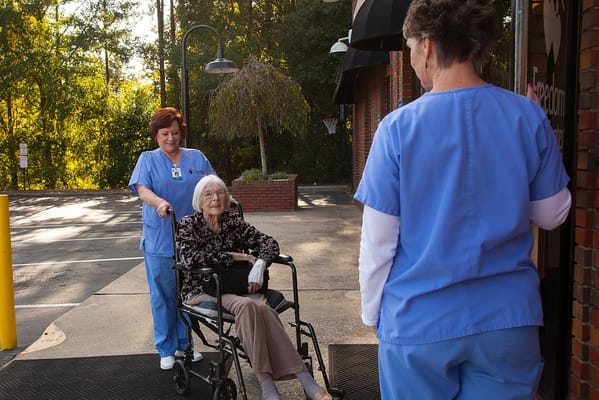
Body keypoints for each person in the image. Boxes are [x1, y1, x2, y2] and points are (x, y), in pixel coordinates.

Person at [354, 1, 572, 399]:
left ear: (428, 47)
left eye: (409, 47)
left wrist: (372, 314)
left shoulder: (397, 129)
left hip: (419, 321)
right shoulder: (527, 116)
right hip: (507, 320)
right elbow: (552, 214)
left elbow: (378, 243)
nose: (412, 58)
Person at [176, 175, 333, 400]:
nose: (215, 198)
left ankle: (286, 383)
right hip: (203, 289)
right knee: (250, 306)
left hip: (238, 287)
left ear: (227, 198)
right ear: (198, 201)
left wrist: (260, 262)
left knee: (259, 308)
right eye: (208, 194)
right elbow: (191, 258)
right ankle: (285, 382)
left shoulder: (233, 222)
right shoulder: (188, 224)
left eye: (220, 193)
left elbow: (269, 242)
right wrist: (235, 256)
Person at [128, 107, 216, 370]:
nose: (171, 138)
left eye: (175, 133)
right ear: (156, 135)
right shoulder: (147, 159)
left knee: (188, 294)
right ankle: (166, 348)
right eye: (165, 133)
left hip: (193, 240)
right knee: (163, 295)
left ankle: (185, 344)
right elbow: (142, 189)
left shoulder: (196, 157)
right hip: (161, 238)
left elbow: (213, 186)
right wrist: (159, 203)